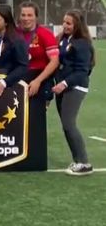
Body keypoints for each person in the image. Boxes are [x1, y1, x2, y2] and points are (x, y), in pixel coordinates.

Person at [53, 10, 95, 176]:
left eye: (69, 23)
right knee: (66, 126)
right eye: (64, 22)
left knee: (69, 124)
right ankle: (78, 160)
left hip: (75, 87)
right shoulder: (63, 39)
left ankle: (84, 162)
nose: (65, 25)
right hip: (61, 87)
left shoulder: (82, 44)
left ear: (77, 25)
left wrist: (64, 83)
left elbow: (82, 71)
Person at [18, 2, 59, 101]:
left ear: (36, 17)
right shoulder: (14, 33)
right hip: (18, 79)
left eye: (29, 15)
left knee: (36, 115)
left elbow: (54, 61)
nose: (26, 18)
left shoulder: (45, 34)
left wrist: (38, 81)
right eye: (23, 15)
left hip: (40, 80)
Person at [0, 6, 29, 96]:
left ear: (6, 22)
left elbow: (23, 66)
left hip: (10, 87)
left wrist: (5, 82)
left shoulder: (16, 40)